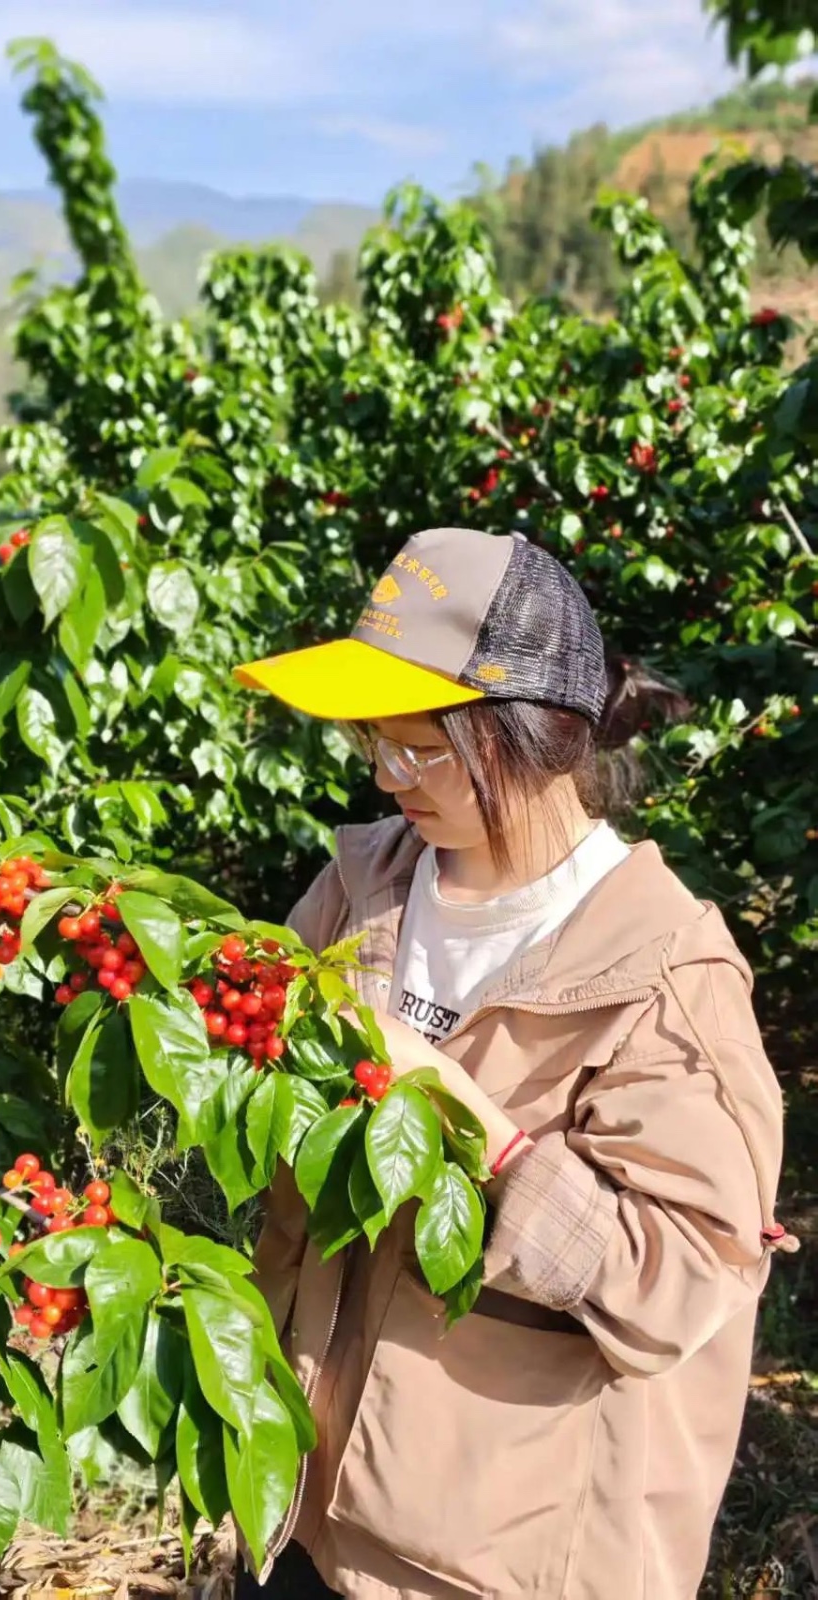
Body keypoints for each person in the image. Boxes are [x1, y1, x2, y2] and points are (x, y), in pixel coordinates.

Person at [231, 527, 791, 1600]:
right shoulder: (364, 887)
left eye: (421, 747)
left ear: (529, 736)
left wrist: (458, 1110)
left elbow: (677, 1286)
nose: (391, 776)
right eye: (374, 743)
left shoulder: (660, 975)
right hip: (303, 1509)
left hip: (493, 1564)